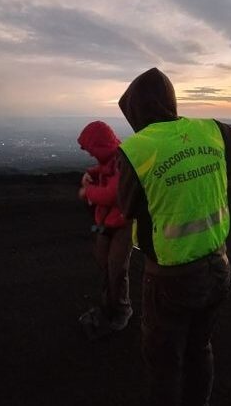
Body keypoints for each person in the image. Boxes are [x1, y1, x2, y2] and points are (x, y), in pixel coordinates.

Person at [117, 68, 231, 406]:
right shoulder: (210, 132)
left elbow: (127, 208)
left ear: (136, 111)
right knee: (199, 348)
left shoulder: (137, 148)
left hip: (168, 279)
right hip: (218, 266)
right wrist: (218, 167)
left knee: (164, 364)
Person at [77, 121, 133, 338]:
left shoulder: (122, 161)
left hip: (123, 225)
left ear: (100, 145)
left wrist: (88, 191)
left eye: (92, 150)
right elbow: (102, 168)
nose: (91, 155)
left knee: (116, 269)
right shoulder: (112, 159)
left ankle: (121, 311)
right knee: (105, 266)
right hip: (106, 223)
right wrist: (89, 173)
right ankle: (110, 307)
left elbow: (112, 194)